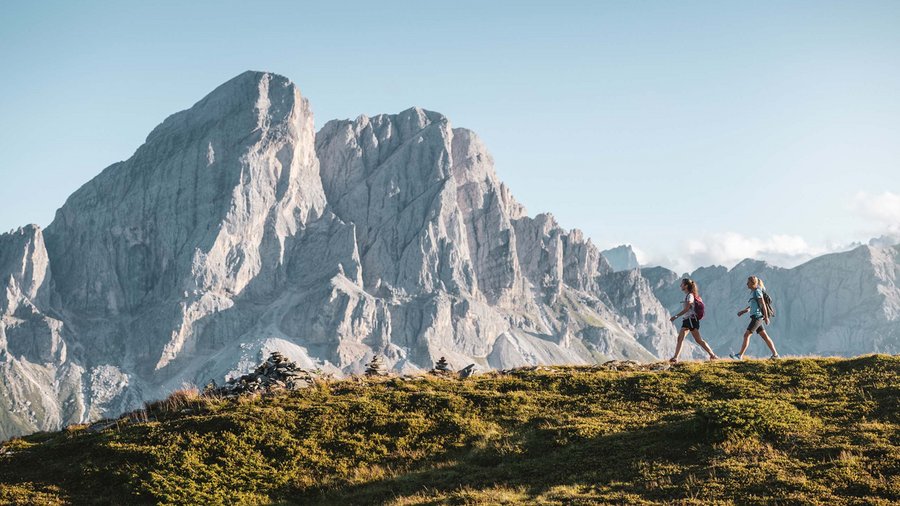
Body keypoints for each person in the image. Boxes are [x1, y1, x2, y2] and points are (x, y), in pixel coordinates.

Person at [668, 278, 718, 363]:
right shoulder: (690, 295)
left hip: (691, 320)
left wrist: (676, 316)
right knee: (682, 338)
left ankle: (713, 355)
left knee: (697, 340)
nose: (680, 286)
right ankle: (675, 357)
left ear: (686, 286)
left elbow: (687, 308)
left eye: (682, 284)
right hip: (688, 320)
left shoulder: (690, 296)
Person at [730, 275, 779, 360]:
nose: (746, 284)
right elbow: (753, 305)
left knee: (746, 335)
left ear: (753, 283)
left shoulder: (757, 291)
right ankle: (775, 355)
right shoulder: (753, 293)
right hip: (755, 317)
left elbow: (762, 304)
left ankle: (739, 355)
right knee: (765, 336)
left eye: (748, 282)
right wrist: (744, 311)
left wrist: (766, 317)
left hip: (757, 317)